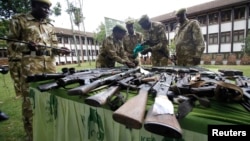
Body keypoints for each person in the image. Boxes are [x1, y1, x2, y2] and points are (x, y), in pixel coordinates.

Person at [7, 0, 70, 140]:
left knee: (50, 98)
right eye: (44, 7)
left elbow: (54, 45)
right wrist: (26, 47)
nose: (47, 11)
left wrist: (61, 50)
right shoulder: (20, 20)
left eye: (48, 8)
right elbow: (10, 44)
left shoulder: (49, 26)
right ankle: (32, 135)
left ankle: (49, 130)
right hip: (30, 68)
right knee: (30, 102)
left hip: (49, 66)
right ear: (33, 5)